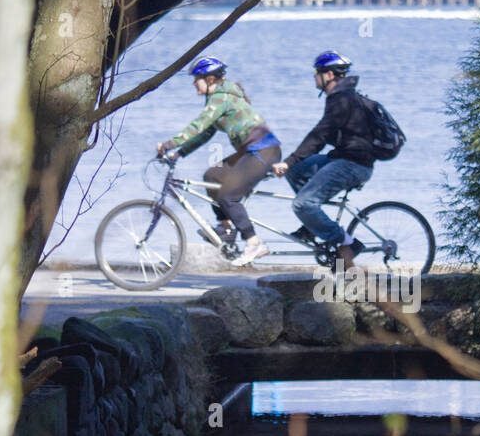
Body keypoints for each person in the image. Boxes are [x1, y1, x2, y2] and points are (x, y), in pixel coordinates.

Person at [157, 57, 281, 267]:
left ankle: (254, 243)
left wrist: (169, 144)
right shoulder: (218, 98)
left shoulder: (220, 97)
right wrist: (179, 154)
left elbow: (198, 125)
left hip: (264, 151)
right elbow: (205, 134)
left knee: (228, 195)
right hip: (249, 151)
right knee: (212, 175)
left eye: (197, 79)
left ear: (210, 78)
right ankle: (227, 229)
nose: (193, 83)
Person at [271, 51, 373, 271]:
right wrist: (292, 164)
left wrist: (287, 161)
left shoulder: (342, 98)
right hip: (342, 159)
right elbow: (325, 134)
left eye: (316, 73)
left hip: (353, 165)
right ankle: (313, 224)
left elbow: (319, 135)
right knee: (297, 170)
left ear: (328, 75)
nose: (314, 78)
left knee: (302, 203)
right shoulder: (342, 95)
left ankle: (348, 243)